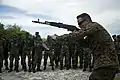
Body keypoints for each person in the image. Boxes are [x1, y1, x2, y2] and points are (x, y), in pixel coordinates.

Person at [61, 13, 119, 80]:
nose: (79, 26)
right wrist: (79, 37)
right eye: (78, 24)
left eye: (80, 23)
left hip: (106, 64)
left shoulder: (93, 26)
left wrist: (57, 38)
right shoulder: (92, 33)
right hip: (105, 64)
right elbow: (85, 44)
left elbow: (77, 35)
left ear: (87, 21)